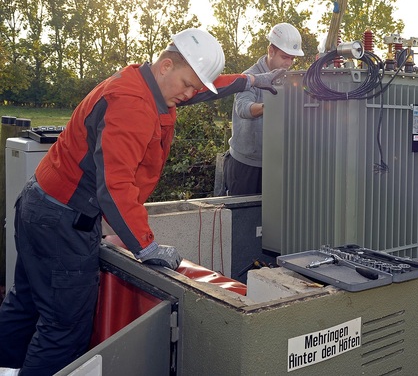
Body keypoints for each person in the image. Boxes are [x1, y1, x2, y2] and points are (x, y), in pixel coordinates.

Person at [0, 28, 285, 375]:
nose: (190, 94)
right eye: (187, 84)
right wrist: (145, 246)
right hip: (62, 220)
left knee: (25, 304)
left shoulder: (150, 83)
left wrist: (251, 79)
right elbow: (115, 185)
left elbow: (203, 86)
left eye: (195, 87)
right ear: (166, 66)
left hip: (39, 204)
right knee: (64, 328)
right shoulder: (132, 104)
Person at [223, 22, 304, 195]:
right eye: (284, 57)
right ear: (271, 51)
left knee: (271, 218)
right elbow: (243, 109)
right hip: (246, 167)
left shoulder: (290, 80)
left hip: (275, 164)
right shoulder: (250, 77)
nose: (289, 63)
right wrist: (270, 107)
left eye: (292, 58)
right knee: (244, 219)